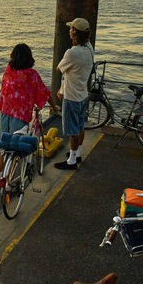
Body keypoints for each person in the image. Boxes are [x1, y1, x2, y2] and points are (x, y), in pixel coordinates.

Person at [0, 43, 59, 181]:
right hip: (20, 115)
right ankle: (9, 179)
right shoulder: (31, 74)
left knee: (3, 145)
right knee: (16, 149)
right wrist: (54, 107)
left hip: (5, 113)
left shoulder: (8, 71)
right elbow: (44, 93)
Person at [55, 18, 95, 170]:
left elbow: (60, 68)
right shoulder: (89, 47)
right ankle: (77, 154)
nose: (69, 31)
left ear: (75, 33)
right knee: (80, 126)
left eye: (71, 29)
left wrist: (62, 90)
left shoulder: (72, 53)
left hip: (71, 97)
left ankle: (71, 161)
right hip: (83, 94)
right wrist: (61, 89)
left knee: (72, 131)